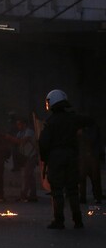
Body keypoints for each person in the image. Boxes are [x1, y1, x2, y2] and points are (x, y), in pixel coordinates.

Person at [39, 89, 93, 229]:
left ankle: (59, 220)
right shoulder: (73, 118)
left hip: (56, 157)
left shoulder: (50, 122)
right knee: (72, 189)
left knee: (57, 190)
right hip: (71, 156)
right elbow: (89, 121)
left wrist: (45, 159)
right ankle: (78, 220)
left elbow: (44, 143)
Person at [6, 118, 38, 202]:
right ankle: (32, 195)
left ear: (24, 124)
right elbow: (17, 142)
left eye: (19, 124)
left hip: (32, 156)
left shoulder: (29, 131)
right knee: (29, 176)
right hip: (25, 157)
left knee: (27, 175)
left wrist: (10, 138)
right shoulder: (20, 133)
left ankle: (24, 195)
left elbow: (22, 141)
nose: (18, 126)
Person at [78, 123, 103, 204]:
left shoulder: (92, 129)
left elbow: (93, 140)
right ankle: (86, 197)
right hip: (87, 156)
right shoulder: (91, 128)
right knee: (85, 179)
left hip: (91, 156)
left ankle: (96, 197)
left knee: (94, 178)